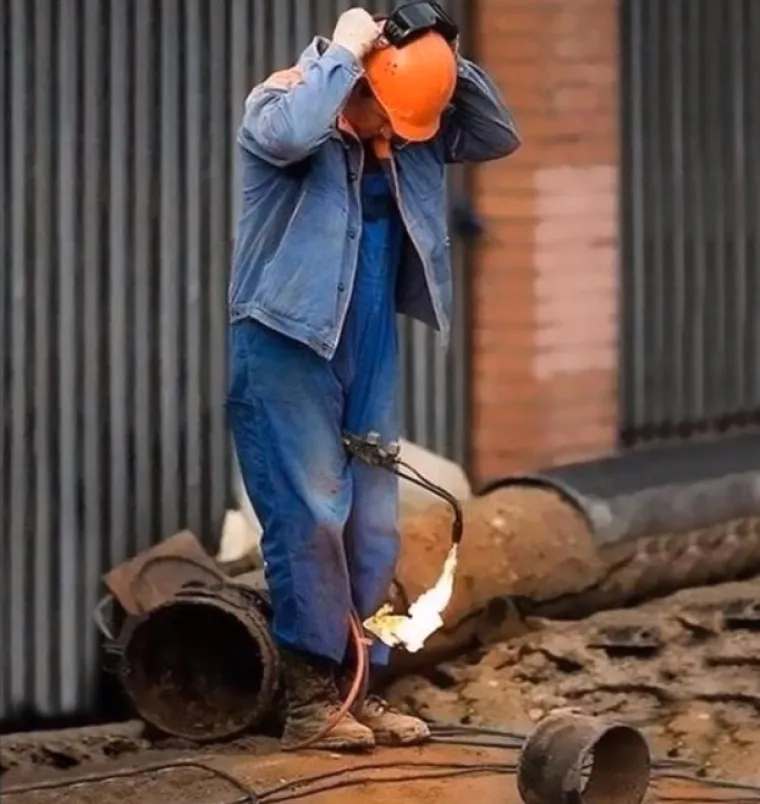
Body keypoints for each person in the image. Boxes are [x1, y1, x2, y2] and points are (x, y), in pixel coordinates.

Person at [227, 5, 519, 752]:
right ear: (353, 81)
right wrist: (347, 51)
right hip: (285, 341)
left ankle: (361, 688)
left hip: (367, 341)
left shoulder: (407, 135)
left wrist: (438, 56)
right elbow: (289, 133)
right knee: (312, 515)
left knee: (373, 524)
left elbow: (496, 133)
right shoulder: (286, 104)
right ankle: (309, 699)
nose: (394, 138)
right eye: (384, 117)